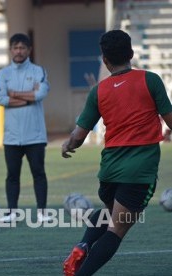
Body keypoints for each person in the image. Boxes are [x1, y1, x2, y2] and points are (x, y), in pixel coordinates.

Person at [61, 29, 172, 276]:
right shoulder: (150, 80)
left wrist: (67, 145)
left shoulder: (98, 91)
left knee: (111, 213)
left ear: (105, 60)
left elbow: (78, 137)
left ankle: (84, 244)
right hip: (138, 173)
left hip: (108, 172)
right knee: (116, 231)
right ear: (131, 53)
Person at [0, 33, 51, 223]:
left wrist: (15, 95)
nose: (19, 51)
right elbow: (1, 99)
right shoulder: (3, 74)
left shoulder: (38, 71)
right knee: (12, 175)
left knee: (39, 173)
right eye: (15, 48)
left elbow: (40, 94)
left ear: (29, 50)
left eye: (22, 48)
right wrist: (28, 97)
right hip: (11, 136)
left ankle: (42, 212)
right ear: (10, 50)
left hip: (35, 135)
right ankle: (12, 213)